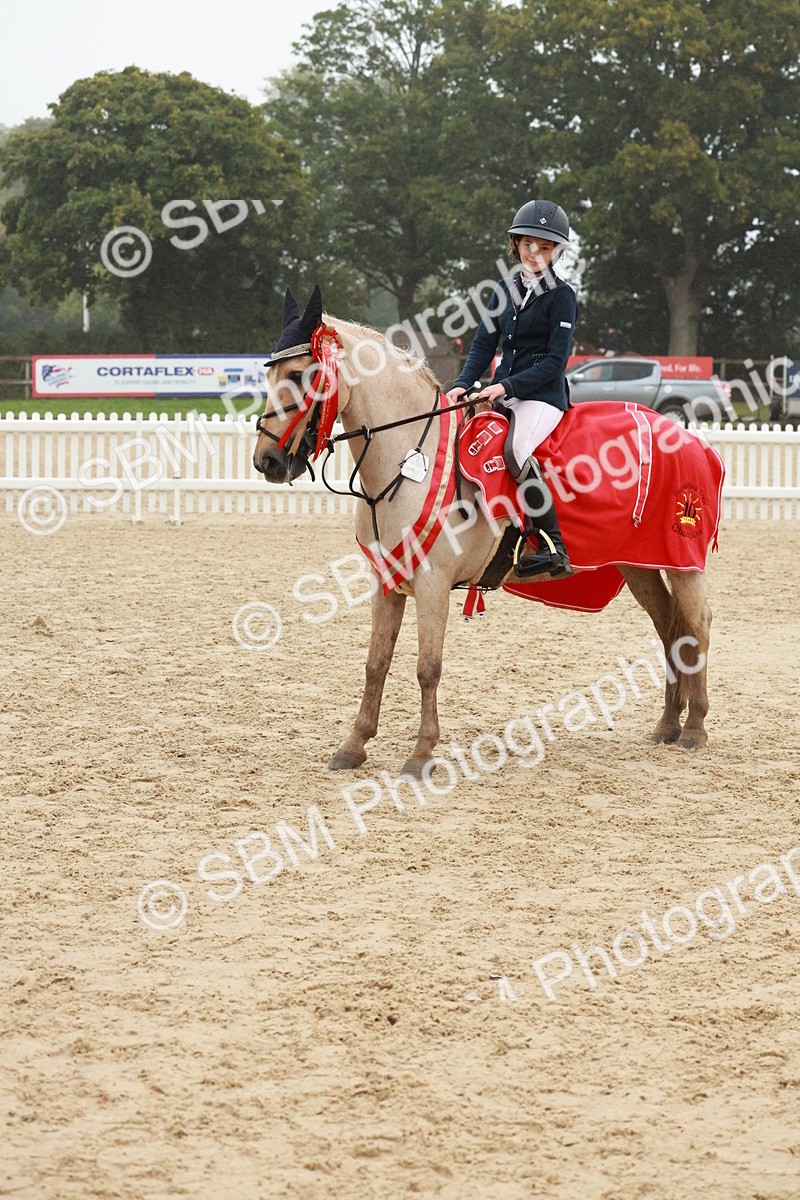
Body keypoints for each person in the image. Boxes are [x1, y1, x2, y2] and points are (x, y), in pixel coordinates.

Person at [446, 199, 579, 578]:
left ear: (556, 251)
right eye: (528, 244)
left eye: (546, 246)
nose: (535, 252)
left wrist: (505, 386)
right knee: (463, 441)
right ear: (516, 243)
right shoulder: (503, 289)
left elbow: (556, 361)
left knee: (515, 451)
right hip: (503, 390)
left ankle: (554, 546)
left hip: (542, 396)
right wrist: (461, 384)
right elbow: (483, 345)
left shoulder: (562, 296)